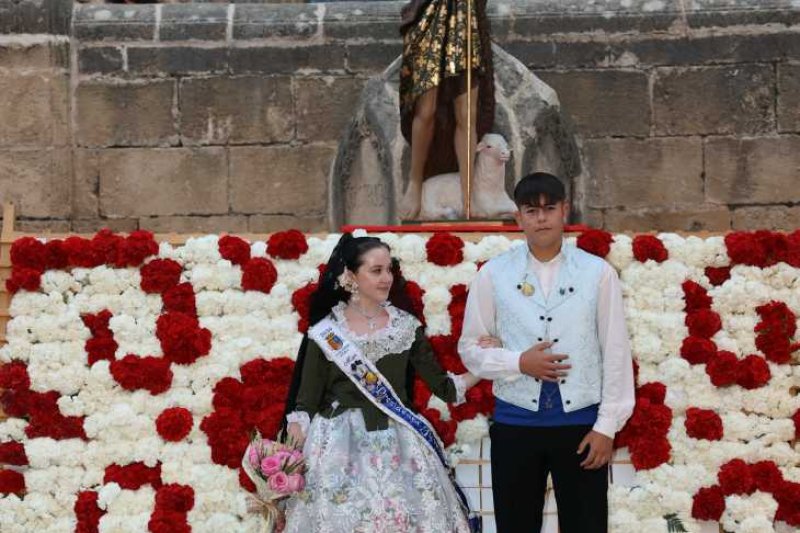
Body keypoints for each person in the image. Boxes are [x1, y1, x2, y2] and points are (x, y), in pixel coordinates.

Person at [457, 172, 635, 533]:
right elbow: (470, 348)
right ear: (518, 217)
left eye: (549, 208)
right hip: (515, 424)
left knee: (585, 526)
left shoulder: (597, 273)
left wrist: (606, 427)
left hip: (581, 426)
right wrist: (518, 362)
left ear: (564, 211)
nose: (541, 218)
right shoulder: (494, 274)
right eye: (531, 210)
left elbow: (615, 350)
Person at [281, 233, 481, 533]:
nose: (386, 278)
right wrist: (284, 460)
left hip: (400, 447)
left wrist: (488, 363)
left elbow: (446, 389)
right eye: (376, 271)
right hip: (337, 449)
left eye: (389, 269)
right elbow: (305, 403)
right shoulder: (326, 333)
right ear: (350, 275)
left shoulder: (405, 327)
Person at [398, 0, 495, 220]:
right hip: (429, 10)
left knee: (466, 112)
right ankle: (415, 181)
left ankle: (467, 194)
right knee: (426, 108)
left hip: (466, 12)